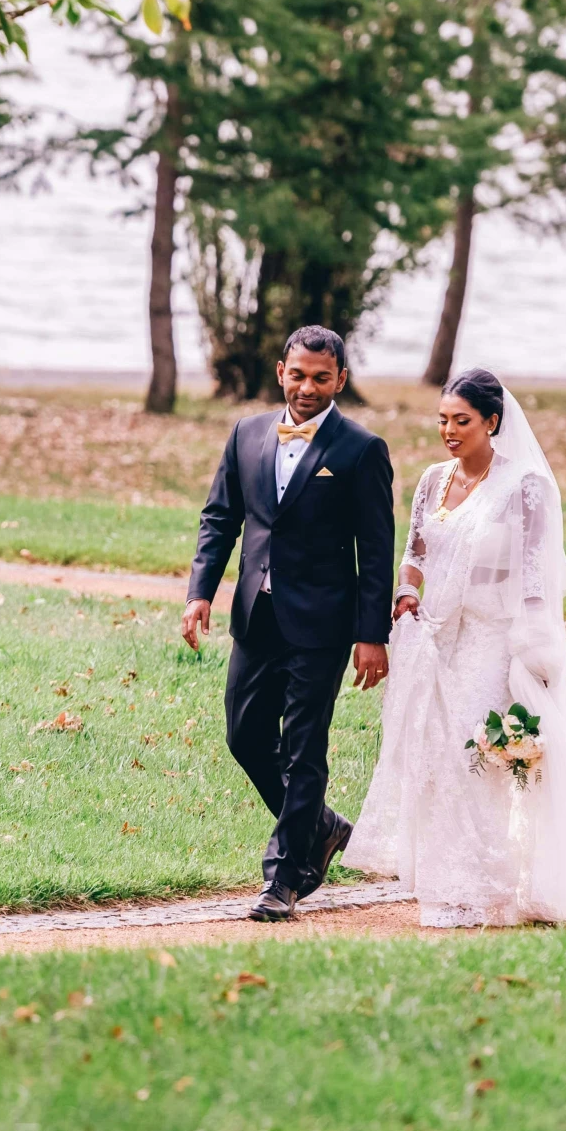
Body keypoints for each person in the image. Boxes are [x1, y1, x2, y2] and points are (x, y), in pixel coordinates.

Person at [342, 368, 566, 927]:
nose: (450, 431)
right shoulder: (433, 481)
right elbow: (415, 551)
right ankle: (448, 884)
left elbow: (535, 578)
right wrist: (407, 591)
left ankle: (488, 886)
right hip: (435, 640)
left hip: (493, 641)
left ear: (492, 422)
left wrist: (538, 658)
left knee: (477, 756)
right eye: (443, 420)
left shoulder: (525, 487)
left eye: (462, 421)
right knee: (434, 761)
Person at [181, 325, 396, 922]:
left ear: (340, 381)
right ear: (281, 371)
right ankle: (321, 825)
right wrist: (201, 591)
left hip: (323, 624)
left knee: (305, 747)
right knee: (244, 735)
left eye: (321, 378)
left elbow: (376, 551)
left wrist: (371, 634)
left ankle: (284, 878)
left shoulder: (360, 450)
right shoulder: (247, 434)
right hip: (257, 614)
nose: (307, 387)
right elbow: (220, 517)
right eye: (298, 375)